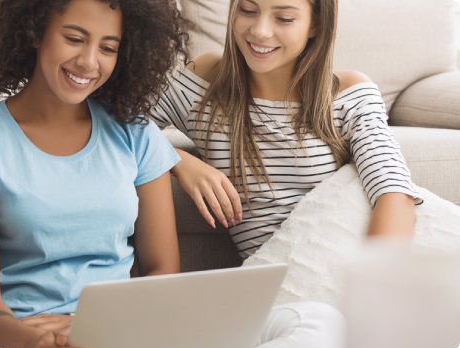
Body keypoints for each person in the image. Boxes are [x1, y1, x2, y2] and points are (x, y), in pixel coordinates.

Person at [0, 0, 189, 348]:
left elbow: (163, 270)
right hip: (21, 337)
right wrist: (39, 341)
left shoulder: (135, 132)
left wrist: (94, 327)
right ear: (34, 31)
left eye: (107, 47)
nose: (89, 61)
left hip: (120, 333)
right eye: (74, 38)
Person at [150, 0, 421, 258]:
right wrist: (177, 160)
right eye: (247, 10)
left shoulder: (348, 93)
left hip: (357, 273)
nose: (260, 31)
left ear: (315, 23)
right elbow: (118, 126)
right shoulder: (206, 80)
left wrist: (372, 288)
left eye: (284, 18)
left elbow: (393, 191)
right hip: (281, 285)